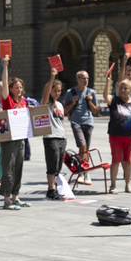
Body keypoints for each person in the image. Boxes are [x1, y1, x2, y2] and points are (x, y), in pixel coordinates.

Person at [0, 54, 30, 209]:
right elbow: (4, 82)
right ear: (10, 89)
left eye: (21, 87)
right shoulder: (7, 100)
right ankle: (6, 200)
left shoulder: (23, 102)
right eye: (16, 87)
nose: (19, 89)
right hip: (10, 139)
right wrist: (5, 65)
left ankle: (16, 197)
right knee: (8, 169)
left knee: (18, 168)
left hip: (21, 138)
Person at [104, 70, 131, 194]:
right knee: (116, 160)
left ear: (130, 90)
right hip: (116, 135)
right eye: (121, 88)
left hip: (130, 135)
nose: (123, 90)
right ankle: (113, 185)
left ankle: (128, 185)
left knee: (128, 160)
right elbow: (106, 97)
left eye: (125, 88)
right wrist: (108, 82)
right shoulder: (115, 100)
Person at [63, 70, 100, 179]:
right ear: (77, 79)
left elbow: (95, 111)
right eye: (83, 78)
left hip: (88, 122)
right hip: (76, 121)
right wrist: (73, 102)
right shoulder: (71, 92)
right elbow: (65, 110)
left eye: (87, 78)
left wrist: (89, 101)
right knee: (82, 145)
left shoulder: (91, 92)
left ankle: (85, 171)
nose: (86, 80)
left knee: (86, 148)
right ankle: (81, 171)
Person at [40, 67, 68, 200]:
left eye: (59, 91)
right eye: (55, 90)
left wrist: (65, 135)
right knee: (52, 164)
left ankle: (55, 187)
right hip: (50, 137)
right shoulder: (46, 104)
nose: (57, 93)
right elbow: (45, 96)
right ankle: (50, 189)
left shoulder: (60, 105)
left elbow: (62, 121)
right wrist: (51, 78)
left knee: (58, 165)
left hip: (61, 136)